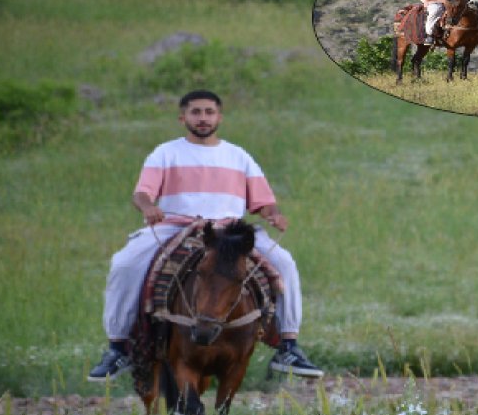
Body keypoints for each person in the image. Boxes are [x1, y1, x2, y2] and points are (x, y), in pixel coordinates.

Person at [88, 90, 324, 382]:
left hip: (230, 229)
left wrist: (273, 214)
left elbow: (263, 200)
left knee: (285, 263)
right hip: (176, 225)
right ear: (182, 117)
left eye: (209, 112)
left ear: (219, 117)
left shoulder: (238, 155)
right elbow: (142, 192)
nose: (203, 118)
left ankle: (288, 346)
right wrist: (149, 207)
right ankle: (118, 347)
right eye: (196, 112)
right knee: (124, 264)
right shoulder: (165, 152)